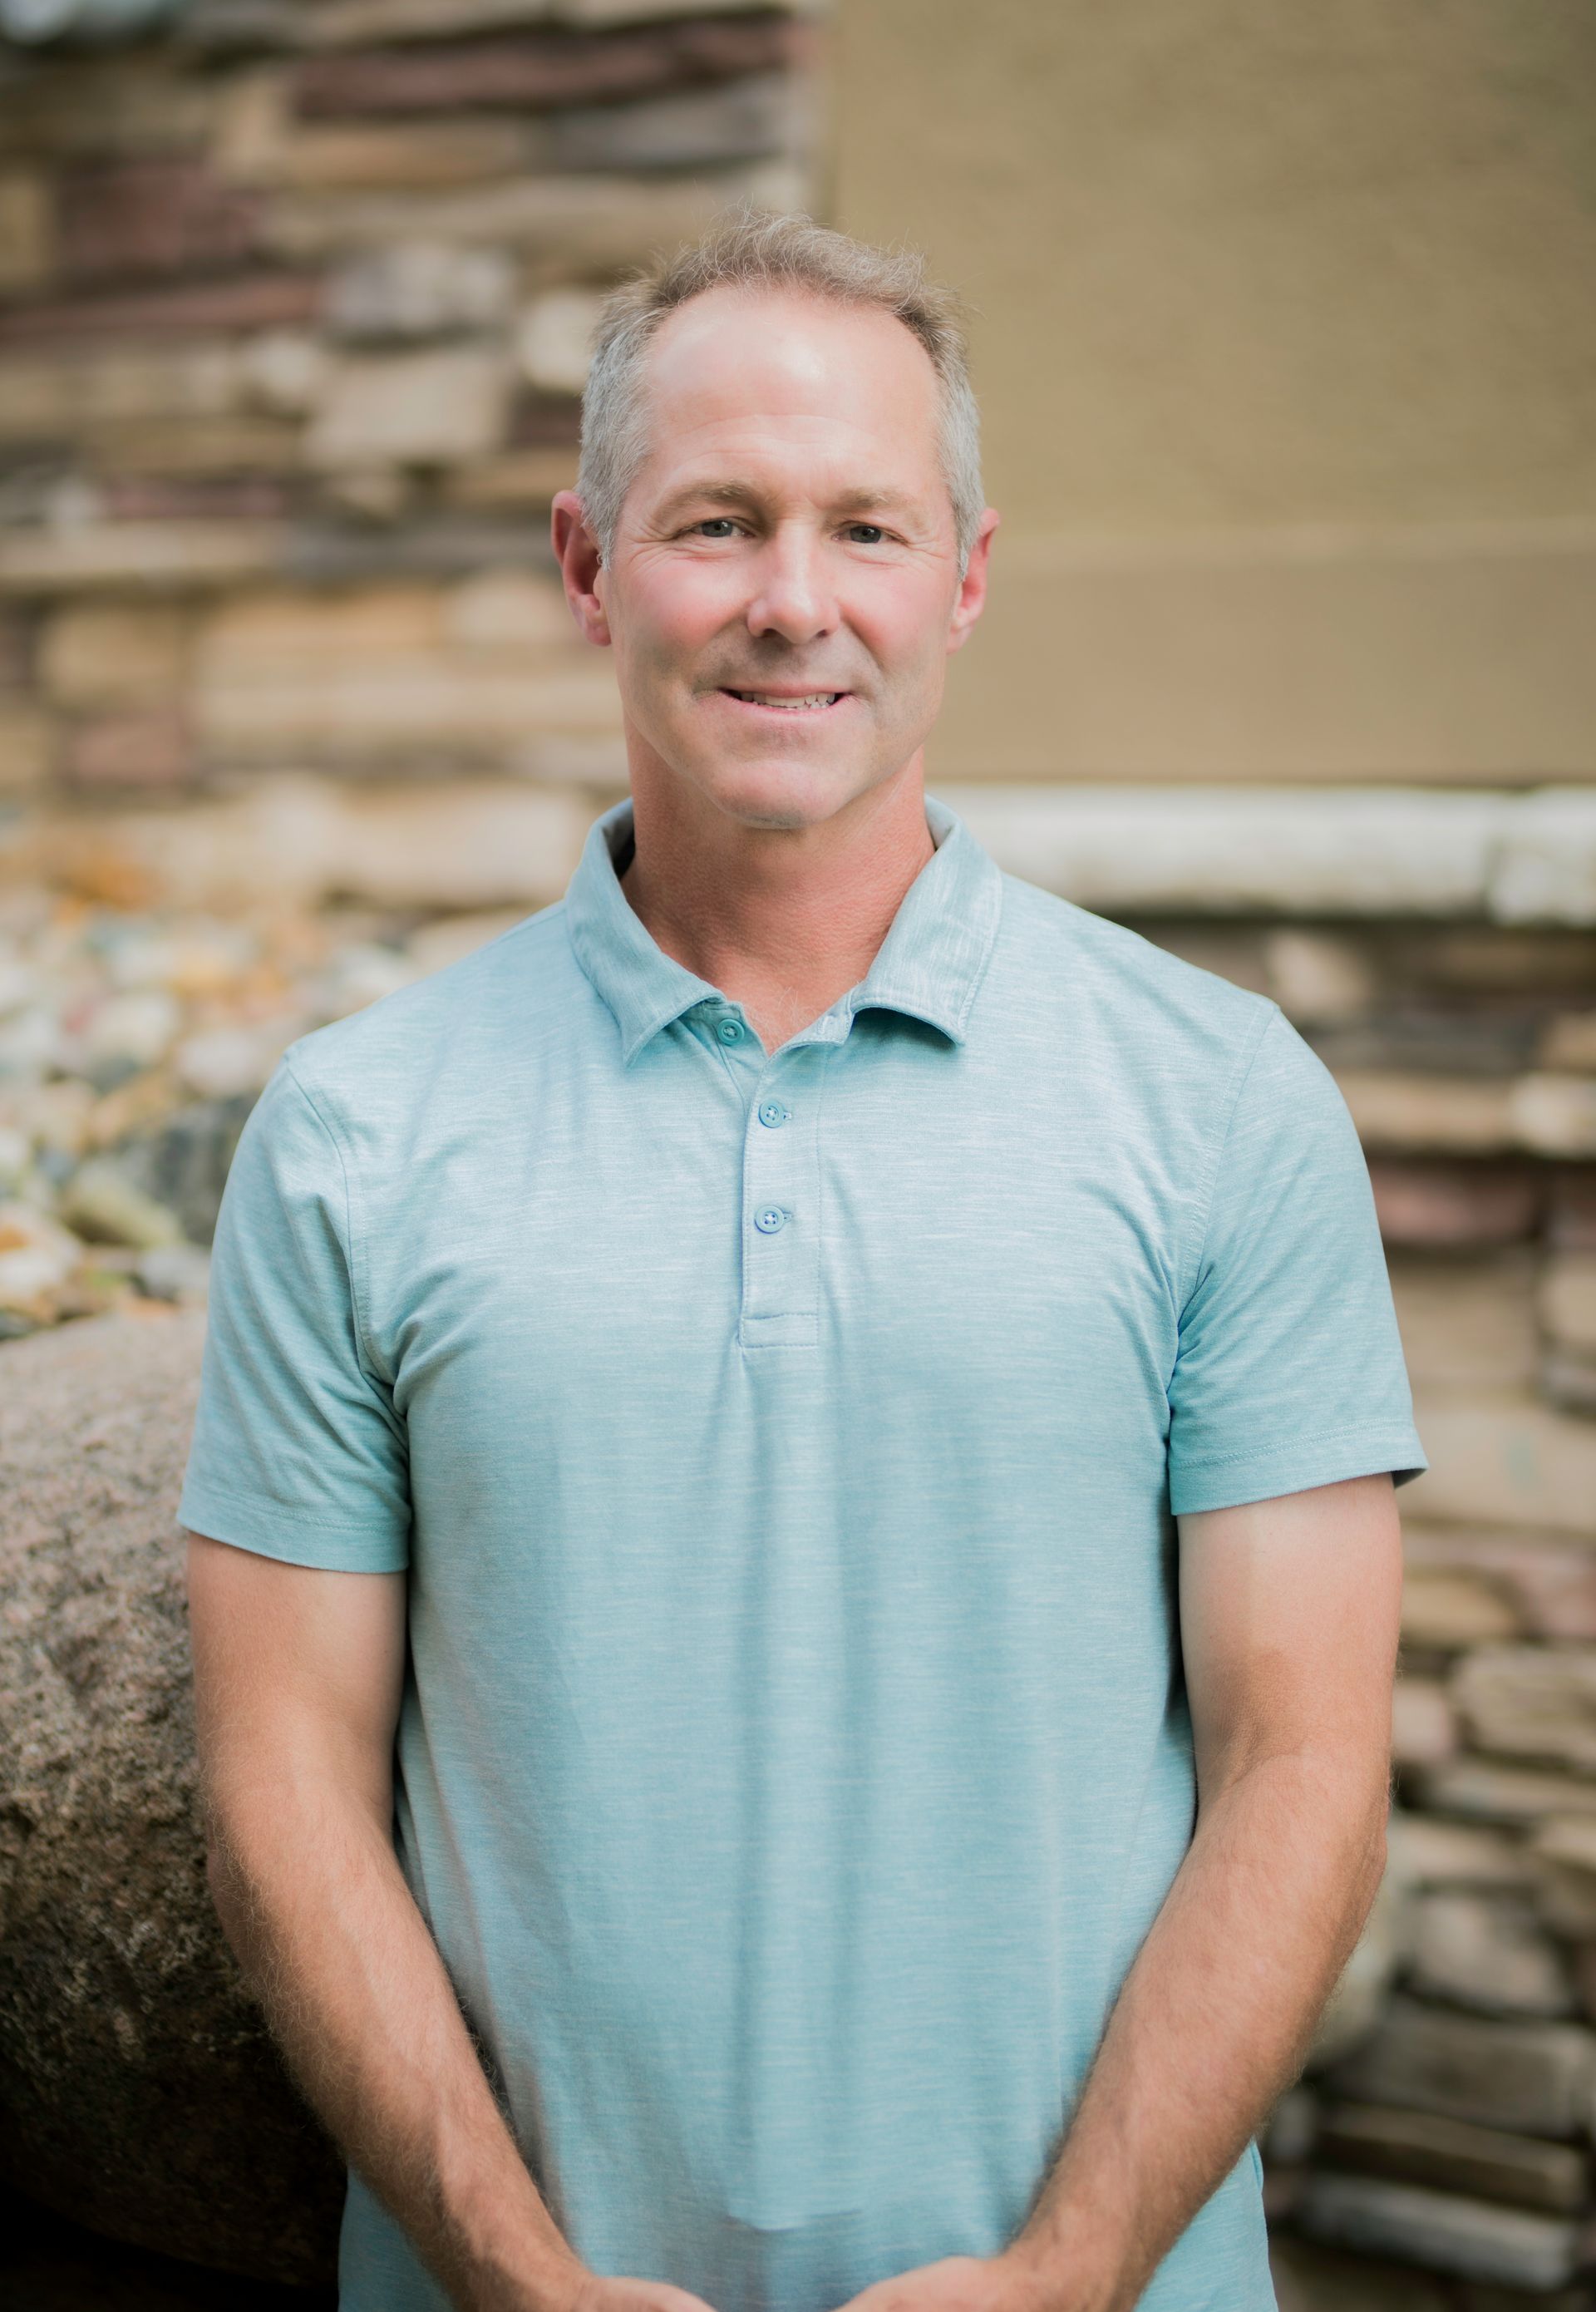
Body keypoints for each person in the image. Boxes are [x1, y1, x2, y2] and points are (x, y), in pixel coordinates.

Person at [180, 208, 1426, 2312]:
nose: (792, 604)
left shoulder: (1218, 1097)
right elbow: (283, 1775)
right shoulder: (357, 1132)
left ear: (964, 575)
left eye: (865, 527)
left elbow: (1301, 1757)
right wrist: (511, 2273)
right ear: (588, 566)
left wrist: (1071, 2265)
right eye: (717, 523)